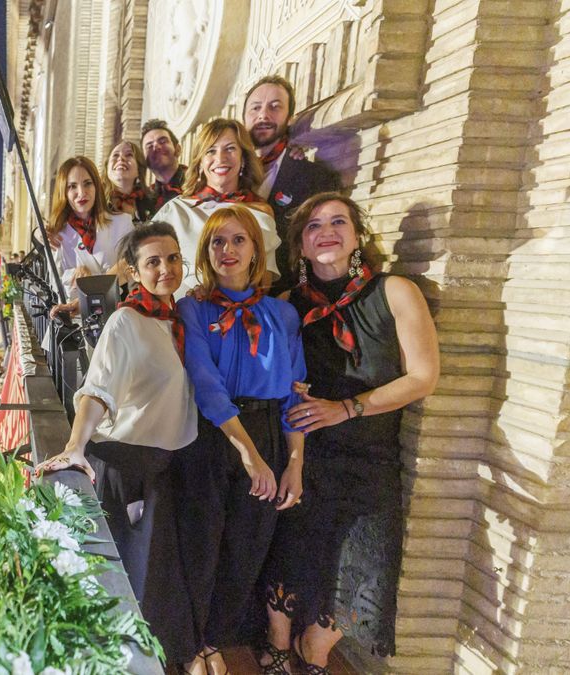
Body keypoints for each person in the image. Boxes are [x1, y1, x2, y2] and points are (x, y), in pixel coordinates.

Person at [259, 193, 439, 674]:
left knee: (365, 569)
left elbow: (423, 376)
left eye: (338, 221)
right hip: (304, 449)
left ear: (358, 235)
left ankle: (313, 649)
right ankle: (279, 642)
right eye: (314, 226)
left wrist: (348, 407)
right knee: (291, 553)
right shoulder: (285, 305)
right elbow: (276, 380)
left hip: (369, 456)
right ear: (299, 245)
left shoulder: (396, 291)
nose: (327, 231)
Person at [34, 222, 197, 659]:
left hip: (165, 466)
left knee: (154, 580)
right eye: (153, 262)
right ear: (134, 270)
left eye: (173, 258)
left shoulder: (178, 317)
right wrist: (75, 444)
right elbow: (98, 388)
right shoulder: (127, 320)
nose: (165, 268)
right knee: (127, 581)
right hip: (126, 466)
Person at [175, 207, 306, 675]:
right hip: (215, 437)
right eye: (216, 242)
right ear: (206, 253)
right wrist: (248, 453)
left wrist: (294, 463)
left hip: (268, 434)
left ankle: (215, 639)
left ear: (255, 250)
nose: (227, 250)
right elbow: (206, 383)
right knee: (201, 542)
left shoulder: (283, 314)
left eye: (237, 240)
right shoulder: (192, 308)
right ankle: (192, 646)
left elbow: (295, 394)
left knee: (247, 548)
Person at [151, 118, 281, 299]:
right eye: (211, 151)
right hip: (178, 317)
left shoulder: (260, 212)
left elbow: (264, 281)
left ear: (243, 157)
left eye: (230, 149)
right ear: (200, 162)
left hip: (238, 316)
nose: (220, 158)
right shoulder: (175, 210)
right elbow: (141, 262)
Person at [243, 75, 343, 292]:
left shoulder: (314, 178)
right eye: (255, 108)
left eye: (275, 107)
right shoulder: (227, 174)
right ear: (244, 118)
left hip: (285, 300)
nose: (263, 115)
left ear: (289, 117)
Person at [46, 156, 136, 290]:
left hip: (120, 308)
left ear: (96, 186)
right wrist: (74, 274)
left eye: (87, 183)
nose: (81, 193)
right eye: (72, 186)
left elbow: (134, 265)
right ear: (63, 192)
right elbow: (54, 282)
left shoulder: (122, 223)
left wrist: (96, 283)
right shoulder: (58, 235)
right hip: (75, 309)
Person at [140, 119, 188, 216]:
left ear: (178, 149)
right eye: (149, 146)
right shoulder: (145, 198)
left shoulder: (199, 182)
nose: (156, 147)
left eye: (162, 141)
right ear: (143, 159)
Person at [102, 140, 154, 222]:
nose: (121, 158)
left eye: (129, 154)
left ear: (139, 169)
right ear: (107, 167)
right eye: (115, 155)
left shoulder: (151, 202)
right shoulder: (96, 200)